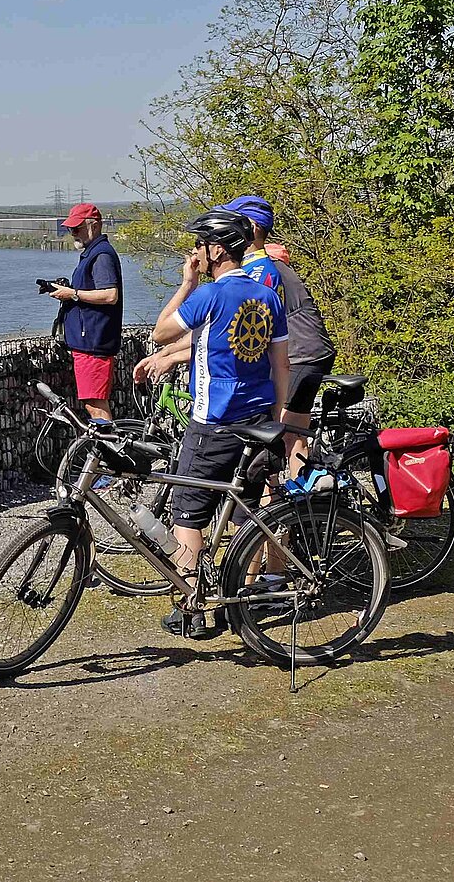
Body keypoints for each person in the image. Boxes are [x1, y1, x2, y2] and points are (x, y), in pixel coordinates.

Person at [134, 209, 288, 639]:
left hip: (213, 423)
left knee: (189, 512)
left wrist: (187, 282)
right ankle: (242, 595)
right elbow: (281, 365)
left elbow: (162, 332)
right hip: (258, 420)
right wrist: (278, 419)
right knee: (247, 512)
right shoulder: (265, 295)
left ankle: (191, 606)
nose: (195, 251)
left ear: (216, 249)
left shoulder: (211, 296)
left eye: (200, 244)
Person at [220, 195, 336, 472]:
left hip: (300, 356)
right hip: (312, 352)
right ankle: (293, 500)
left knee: (278, 436)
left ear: (250, 227)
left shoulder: (260, 270)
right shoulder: (270, 264)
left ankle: (282, 504)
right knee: (292, 435)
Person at [44, 202, 124, 422]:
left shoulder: (101, 256)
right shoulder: (94, 253)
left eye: (77, 228)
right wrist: (68, 291)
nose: (73, 233)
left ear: (94, 225)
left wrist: (73, 294)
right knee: (94, 402)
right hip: (89, 342)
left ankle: (108, 453)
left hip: (94, 344)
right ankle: (105, 452)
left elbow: (110, 295)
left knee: (96, 406)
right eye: (70, 229)